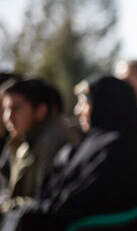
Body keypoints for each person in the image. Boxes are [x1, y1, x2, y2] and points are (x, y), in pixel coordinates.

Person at [0, 76, 137, 231]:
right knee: (22, 214)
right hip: (82, 228)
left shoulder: (122, 146)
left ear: (106, 104)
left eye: (85, 102)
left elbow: (89, 198)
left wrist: (44, 207)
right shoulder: (92, 143)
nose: (79, 110)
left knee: (29, 219)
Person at [1, 78, 80, 207]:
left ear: (40, 111)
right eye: (5, 109)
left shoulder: (53, 141)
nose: (8, 117)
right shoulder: (22, 138)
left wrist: (6, 207)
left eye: (15, 108)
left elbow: (43, 203)